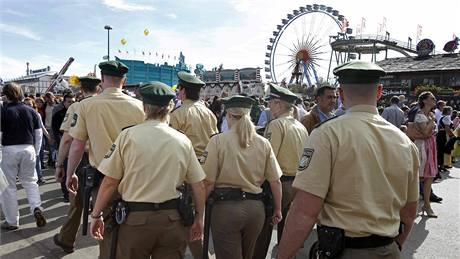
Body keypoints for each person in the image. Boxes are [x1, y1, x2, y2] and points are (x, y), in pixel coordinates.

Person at [277, 61, 420, 259]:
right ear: (379, 92)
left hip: (345, 250)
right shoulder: (405, 142)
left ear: (341, 94)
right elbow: (410, 211)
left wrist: (283, 255)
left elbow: (304, 210)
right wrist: (394, 246)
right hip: (388, 249)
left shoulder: (327, 134)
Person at [90, 82, 206, 258]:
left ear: (144, 107)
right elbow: (199, 185)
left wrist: (96, 215)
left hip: (135, 221)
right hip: (172, 220)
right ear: (170, 107)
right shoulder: (182, 141)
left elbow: (110, 182)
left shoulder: (127, 136)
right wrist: (199, 218)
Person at [66, 61, 144, 258]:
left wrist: (70, 173)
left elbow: (76, 145)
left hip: (103, 179)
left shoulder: (86, 105)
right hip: (135, 178)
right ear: (124, 81)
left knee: (107, 232)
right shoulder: (140, 106)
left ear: (102, 79)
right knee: (133, 230)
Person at [202, 95, 283, 259]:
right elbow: (275, 181)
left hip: (226, 209)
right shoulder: (263, 143)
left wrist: (199, 211)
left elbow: (208, 182)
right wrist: (278, 208)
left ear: (229, 115)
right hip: (255, 210)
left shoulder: (218, 141)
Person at [253, 83, 309, 259]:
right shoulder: (300, 127)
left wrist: (256, 185)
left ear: (278, 104)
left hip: (279, 184)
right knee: (286, 229)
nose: (269, 106)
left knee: (264, 230)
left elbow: (269, 160)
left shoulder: (276, 125)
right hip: (296, 183)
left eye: (271, 102)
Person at [169, 71, 218, 259]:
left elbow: (172, 148)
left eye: (178, 89)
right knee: (199, 215)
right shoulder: (209, 113)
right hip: (206, 170)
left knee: (186, 219)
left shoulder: (178, 114)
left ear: (182, 91)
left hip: (186, 173)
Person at [53, 76, 100, 253]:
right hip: (109, 159)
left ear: (81, 89)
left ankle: (67, 238)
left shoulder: (77, 107)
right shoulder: (110, 104)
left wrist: (60, 165)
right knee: (107, 203)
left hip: (83, 160)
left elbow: (67, 139)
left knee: (77, 203)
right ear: (99, 88)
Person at [0, 83, 47, 230]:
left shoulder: (4, 111)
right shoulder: (31, 110)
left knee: (8, 187)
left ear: (6, 95)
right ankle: (36, 207)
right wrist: (36, 151)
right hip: (29, 148)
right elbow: (39, 134)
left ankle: (12, 220)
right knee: (30, 182)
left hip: (9, 149)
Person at [413, 92, 438, 218]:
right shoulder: (420, 115)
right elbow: (427, 133)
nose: (434, 100)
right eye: (432, 98)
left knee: (429, 177)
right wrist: (432, 121)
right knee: (419, 177)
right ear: (424, 100)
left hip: (430, 146)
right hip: (422, 147)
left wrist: (431, 123)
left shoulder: (430, 114)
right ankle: (413, 205)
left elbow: (429, 133)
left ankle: (427, 205)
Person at [52, 92, 76, 201]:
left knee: (74, 169)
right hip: (64, 145)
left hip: (76, 145)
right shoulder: (58, 114)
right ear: (64, 102)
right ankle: (66, 194)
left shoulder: (78, 113)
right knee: (64, 170)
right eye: (69, 102)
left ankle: (74, 192)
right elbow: (56, 131)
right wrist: (60, 143)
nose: (71, 104)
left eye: (73, 102)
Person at [23, 97, 51, 184]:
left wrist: (49, 136)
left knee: (37, 158)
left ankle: (39, 177)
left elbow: (41, 127)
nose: (28, 106)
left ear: (33, 105)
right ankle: (27, 177)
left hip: (36, 139)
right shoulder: (20, 114)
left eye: (29, 104)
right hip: (25, 140)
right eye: (26, 104)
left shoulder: (36, 114)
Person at [436, 106, 454, 172]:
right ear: (448, 111)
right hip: (444, 134)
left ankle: (440, 165)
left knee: (441, 149)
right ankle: (442, 165)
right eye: (450, 111)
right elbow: (447, 128)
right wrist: (452, 135)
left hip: (440, 134)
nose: (451, 112)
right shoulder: (447, 117)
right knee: (444, 149)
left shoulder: (441, 117)